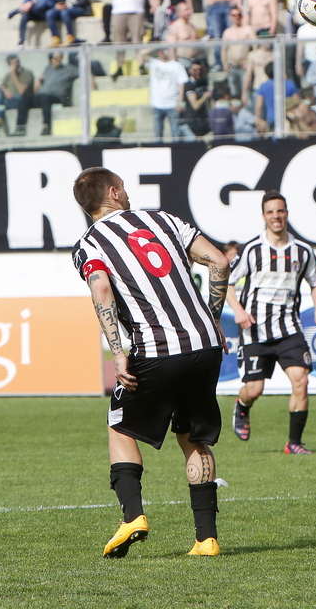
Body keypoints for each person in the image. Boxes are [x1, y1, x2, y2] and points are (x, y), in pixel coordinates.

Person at [71, 166, 228, 558]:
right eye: (124, 187)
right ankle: (205, 539)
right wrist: (212, 318)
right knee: (193, 436)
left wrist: (118, 351)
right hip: (205, 344)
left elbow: (102, 289)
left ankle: (133, 517)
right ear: (113, 191)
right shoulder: (163, 219)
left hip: (156, 348)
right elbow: (220, 262)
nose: (127, 192)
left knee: (119, 426)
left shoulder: (89, 242)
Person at [228, 191, 316, 454]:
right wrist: (237, 310)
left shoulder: (302, 251)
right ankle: (242, 405)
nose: (276, 216)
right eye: (270, 212)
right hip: (254, 330)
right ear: (263, 216)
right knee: (254, 390)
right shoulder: (251, 250)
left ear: (286, 213)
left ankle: (294, 443)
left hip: (289, 329)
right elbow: (228, 284)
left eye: (280, 211)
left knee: (301, 382)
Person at [0, 53, 34, 136]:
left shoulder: (27, 73)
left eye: (17, 62)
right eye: (13, 63)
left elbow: (22, 91)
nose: (16, 64)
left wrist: (14, 74)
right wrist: (5, 90)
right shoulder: (8, 75)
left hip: (19, 99)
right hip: (6, 99)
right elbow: (1, 87)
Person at [34, 50, 78, 135]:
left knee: (45, 98)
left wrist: (90, 77)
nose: (59, 60)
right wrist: (38, 80)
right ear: (51, 59)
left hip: (57, 96)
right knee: (25, 99)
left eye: (60, 57)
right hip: (43, 95)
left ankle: (46, 126)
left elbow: (82, 72)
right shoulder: (48, 68)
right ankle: (20, 126)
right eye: (56, 58)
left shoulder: (69, 69)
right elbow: (42, 78)